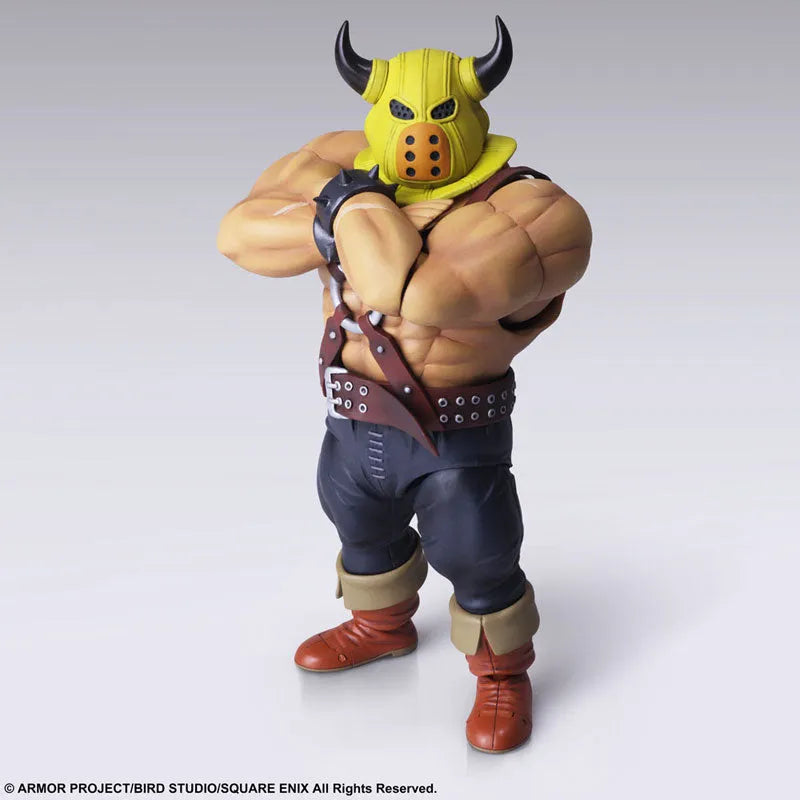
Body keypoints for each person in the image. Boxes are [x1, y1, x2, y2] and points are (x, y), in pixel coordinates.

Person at [218, 17, 592, 753]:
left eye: (439, 116)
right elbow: (238, 235)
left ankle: (501, 673)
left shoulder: (533, 211)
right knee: (357, 521)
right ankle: (380, 625)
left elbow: (415, 292)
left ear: (473, 116)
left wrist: (346, 207)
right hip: (353, 417)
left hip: (454, 434)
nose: (420, 136)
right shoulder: (340, 156)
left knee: (477, 551)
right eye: (403, 118)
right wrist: (342, 214)